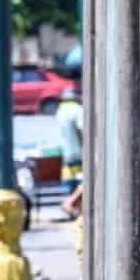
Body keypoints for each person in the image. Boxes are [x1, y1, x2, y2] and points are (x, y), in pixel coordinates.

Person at [56, 86, 83, 218]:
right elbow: (82, 129)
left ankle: (72, 208)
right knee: (83, 182)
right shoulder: (78, 110)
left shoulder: (60, 111)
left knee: (71, 184)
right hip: (80, 153)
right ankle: (70, 203)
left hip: (67, 154)